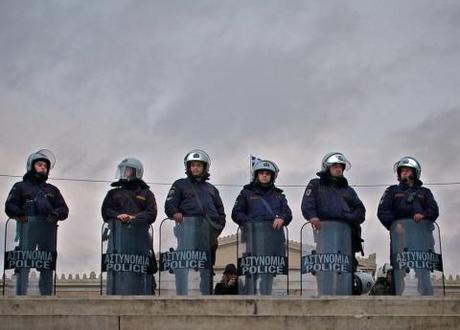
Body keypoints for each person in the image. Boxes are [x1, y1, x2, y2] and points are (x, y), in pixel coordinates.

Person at [5, 149, 69, 295]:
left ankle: (45, 294)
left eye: (45, 166)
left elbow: (63, 209)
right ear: (32, 166)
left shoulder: (52, 190)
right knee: (24, 262)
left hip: (47, 231)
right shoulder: (20, 186)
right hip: (27, 229)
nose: (43, 168)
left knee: (46, 262)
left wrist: (55, 214)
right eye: (40, 164)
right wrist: (19, 213)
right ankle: (21, 292)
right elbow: (10, 205)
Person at [301, 152, 365, 295]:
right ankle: (325, 295)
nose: (338, 169)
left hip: (345, 235)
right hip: (325, 233)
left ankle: (344, 295)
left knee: (344, 267)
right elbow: (307, 205)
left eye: (340, 167)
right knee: (326, 266)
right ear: (327, 167)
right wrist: (313, 217)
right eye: (335, 166)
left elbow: (361, 211)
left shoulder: (348, 190)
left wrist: (346, 217)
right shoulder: (316, 184)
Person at [164, 149, 226, 295]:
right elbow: (169, 204)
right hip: (187, 232)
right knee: (183, 265)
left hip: (207, 235)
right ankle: (181, 295)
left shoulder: (212, 190)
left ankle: (206, 296)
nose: (196, 168)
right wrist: (175, 213)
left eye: (199, 165)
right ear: (188, 167)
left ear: (204, 167)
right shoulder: (179, 185)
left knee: (207, 268)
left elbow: (221, 213)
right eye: (193, 165)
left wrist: (216, 230)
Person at [377, 156, 439, 295]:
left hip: (422, 238)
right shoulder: (392, 191)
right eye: (402, 170)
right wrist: (393, 224)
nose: (404, 173)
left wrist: (424, 215)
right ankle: (397, 299)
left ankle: (427, 299)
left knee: (423, 271)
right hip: (400, 238)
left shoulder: (425, 192)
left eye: (408, 170)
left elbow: (434, 210)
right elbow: (382, 211)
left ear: (415, 173)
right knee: (398, 270)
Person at [232, 159, 292, 295]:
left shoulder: (279, 195)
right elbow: (236, 213)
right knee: (252, 271)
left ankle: (267, 298)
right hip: (253, 238)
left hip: (273, 239)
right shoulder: (246, 193)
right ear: (256, 175)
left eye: (267, 173)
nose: (264, 176)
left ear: (272, 176)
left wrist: (282, 218)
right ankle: (250, 299)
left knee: (268, 272)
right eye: (261, 173)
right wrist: (250, 223)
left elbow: (288, 213)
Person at [101, 157, 157, 295]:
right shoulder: (113, 193)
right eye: (123, 169)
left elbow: (151, 213)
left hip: (140, 239)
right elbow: (106, 211)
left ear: (135, 172)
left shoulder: (146, 193)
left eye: (127, 169)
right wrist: (117, 216)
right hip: (117, 239)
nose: (124, 172)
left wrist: (135, 218)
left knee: (141, 269)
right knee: (117, 269)